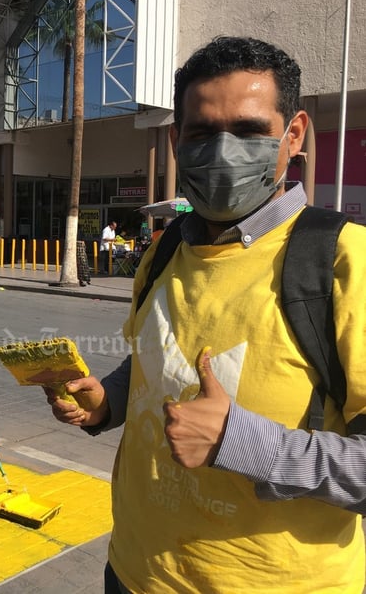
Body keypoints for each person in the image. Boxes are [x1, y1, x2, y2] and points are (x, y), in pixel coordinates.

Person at [45, 36, 366, 593]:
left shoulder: (343, 261)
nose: (223, 152)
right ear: (176, 140)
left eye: (248, 132)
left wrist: (244, 443)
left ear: (293, 134)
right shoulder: (163, 251)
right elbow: (153, 362)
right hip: (133, 571)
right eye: (200, 134)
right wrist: (106, 403)